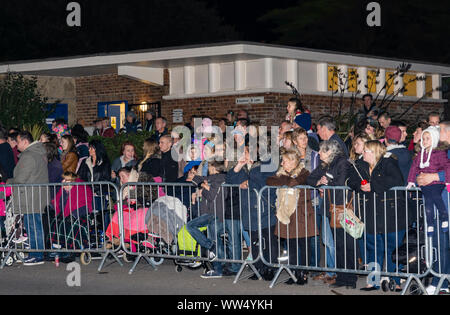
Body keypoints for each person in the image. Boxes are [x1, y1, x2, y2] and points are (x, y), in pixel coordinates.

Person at [348, 140, 407, 291]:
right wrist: (361, 187)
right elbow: (350, 181)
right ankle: (373, 280)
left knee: (393, 247)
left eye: (366, 150)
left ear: (374, 152)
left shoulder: (388, 163)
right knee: (372, 247)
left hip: (390, 213)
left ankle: (396, 280)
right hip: (370, 212)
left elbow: (396, 180)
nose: (363, 153)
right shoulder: (359, 165)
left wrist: (372, 185)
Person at [307, 140, 356, 289]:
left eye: (322, 151)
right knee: (338, 244)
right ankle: (341, 277)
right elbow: (309, 178)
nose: (319, 153)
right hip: (331, 209)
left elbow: (341, 183)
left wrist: (325, 182)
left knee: (347, 244)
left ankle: (350, 278)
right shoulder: (324, 165)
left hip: (344, 208)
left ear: (329, 152)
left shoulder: (342, 163)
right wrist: (318, 182)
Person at [267, 149, 318, 285]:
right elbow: (269, 181)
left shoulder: (304, 173)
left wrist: (283, 179)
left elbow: (294, 183)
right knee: (291, 244)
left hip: (301, 212)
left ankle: (303, 272)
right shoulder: (281, 173)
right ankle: (294, 272)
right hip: (286, 212)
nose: (282, 163)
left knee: (303, 243)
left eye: (284, 161)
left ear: (292, 161)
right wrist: (284, 178)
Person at [6, 131, 49, 266]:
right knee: (35, 224)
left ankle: (36, 255)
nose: (16, 145)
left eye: (18, 142)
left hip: (31, 196)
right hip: (35, 195)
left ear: (25, 142)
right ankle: (36, 253)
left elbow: (20, 178)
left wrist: (9, 182)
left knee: (33, 225)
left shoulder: (29, 155)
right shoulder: (37, 153)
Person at [416, 121, 449, 295]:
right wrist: (419, 178)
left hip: (445, 203)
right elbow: (419, 170)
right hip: (439, 204)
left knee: (443, 244)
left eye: (440, 129)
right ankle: (440, 279)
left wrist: (435, 176)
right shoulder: (435, 152)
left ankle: (442, 280)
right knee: (438, 244)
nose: (437, 131)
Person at [187, 161, 228, 279]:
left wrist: (204, 187)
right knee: (214, 241)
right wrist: (202, 184)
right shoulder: (213, 178)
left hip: (216, 213)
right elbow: (199, 179)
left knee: (215, 240)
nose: (207, 169)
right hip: (211, 213)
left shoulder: (220, 179)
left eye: (209, 166)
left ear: (214, 168)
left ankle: (218, 268)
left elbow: (212, 196)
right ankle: (216, 263)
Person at [407, 127, 448, 236]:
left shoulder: (440, 153)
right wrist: (412, 180)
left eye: (427, 139)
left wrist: (445, 180)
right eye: (423, 139)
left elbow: (447, 166)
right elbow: (414, 167)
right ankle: (430, 224)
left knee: (435, 196)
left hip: (437, 185)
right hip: (426, 185)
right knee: (428, 203)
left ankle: (444, 217)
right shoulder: (421, 154)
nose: (424, 141)